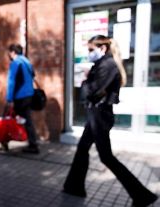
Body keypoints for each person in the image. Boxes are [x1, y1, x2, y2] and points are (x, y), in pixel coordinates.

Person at [63, 35, 158, 207]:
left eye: (91, 49)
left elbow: (92, 91)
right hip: (96, 115)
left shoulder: (108, 65)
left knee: (106, 157)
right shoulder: (102, 65)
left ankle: (142, 195)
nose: (89, 53)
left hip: (100, 116)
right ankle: (74, 187)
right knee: (82, 148)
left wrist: (85, 81)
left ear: (103, 48)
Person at [6, 44, 39, 153]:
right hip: (30, 95)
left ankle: (4, 141)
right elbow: (33, 76)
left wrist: (9, 99)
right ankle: (32, 143)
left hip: (20, 96)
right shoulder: (27, 61)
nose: (9, 55)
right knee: (27, 119)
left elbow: (12, 81)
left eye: (9, 53)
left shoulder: (15, 62)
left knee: (8, 116)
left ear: (13, 52)